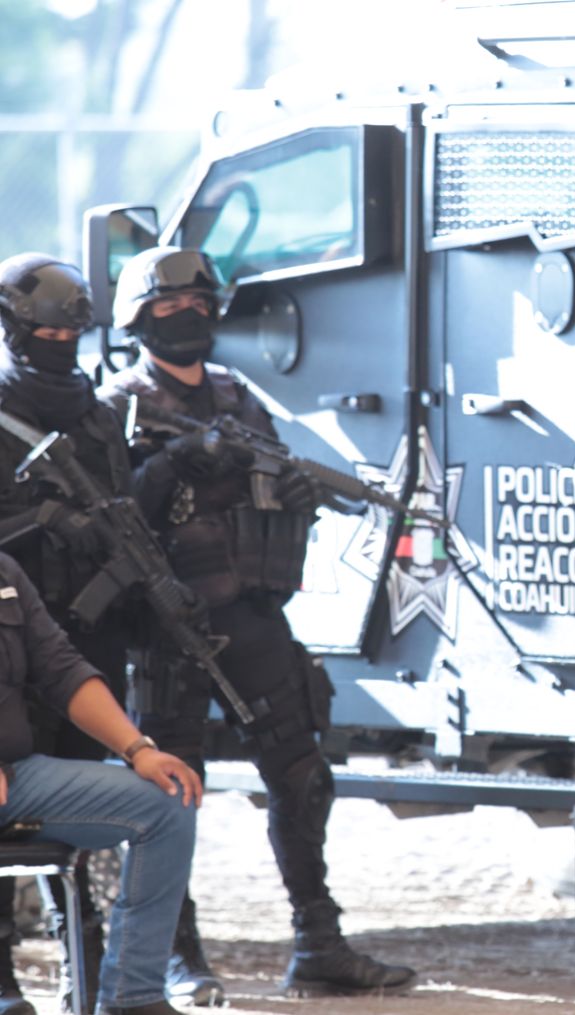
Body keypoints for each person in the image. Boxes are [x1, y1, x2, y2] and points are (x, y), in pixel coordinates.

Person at [98, 247, 414, 1003]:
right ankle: (177, 957)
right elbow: (109, 515)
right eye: (168, 309)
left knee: (303, 778)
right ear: (139, 319)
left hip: (253, 618)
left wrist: (295, 489)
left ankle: (319, 943)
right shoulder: (117, 405)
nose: (187, 319)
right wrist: (175, 465)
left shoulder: (240, 399)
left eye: (198, 305)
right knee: (168, 792)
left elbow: (263, 485)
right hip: (167, 625)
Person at [0, 254, 140, 1013]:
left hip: (87, 640)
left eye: (70, 331)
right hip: (12, 641)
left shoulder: (98, 415)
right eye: (44, 329)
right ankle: (2, 977)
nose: (59, 340)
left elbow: (124, 511)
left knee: (88, 814)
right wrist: (46, 521)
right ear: (14, 330)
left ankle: (83, 957)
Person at [0, 550, 202, 1015]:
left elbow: (63, 670)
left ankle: (134, 996)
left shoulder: (5, 571)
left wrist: (140, 750)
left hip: (17, 780)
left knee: (167, 801)